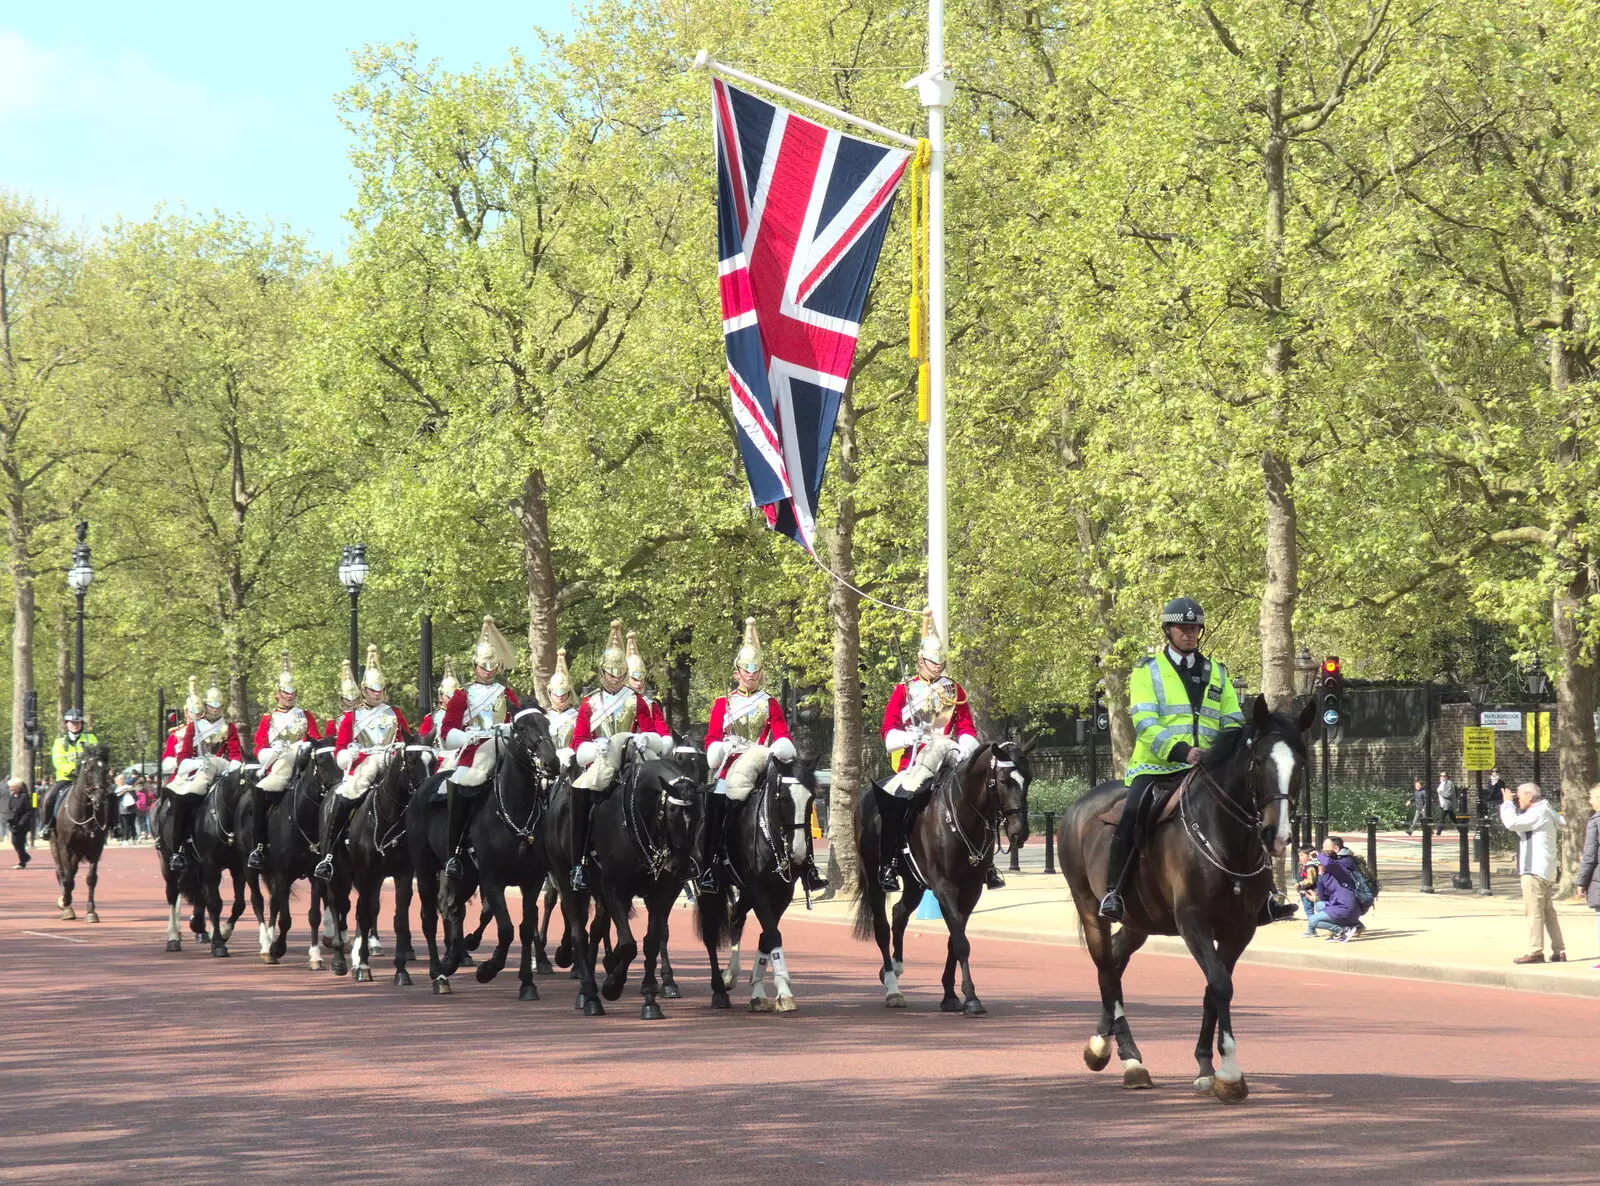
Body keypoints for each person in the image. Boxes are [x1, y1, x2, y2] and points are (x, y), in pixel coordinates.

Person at [1099, 597, 1244, 921]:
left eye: (1194, 628)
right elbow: (1146, 724)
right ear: (1168, 630)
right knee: (1133, 813)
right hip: (1158, 765)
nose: (1189, 633)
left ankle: (1265, 895)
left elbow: (1233, 719)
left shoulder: (1218, 672)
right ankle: (1114, 891)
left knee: (1247, 809)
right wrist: (1182, 751)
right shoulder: (1146, 672)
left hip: (1209, 765)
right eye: (1183, 628)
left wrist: (1219, 750)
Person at [699, 618, 823, 893]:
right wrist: (722, 748)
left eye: (755, 670)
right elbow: (711, 739)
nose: (751, 674)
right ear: (737, 672)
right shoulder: (723, 703)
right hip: (730, 767)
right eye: (746, 670)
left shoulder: (769, 702)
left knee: (797, 800)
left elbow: (781, 734)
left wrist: (775, 747)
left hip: (764, 763)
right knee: (715, 803)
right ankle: (710, 866)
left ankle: (809, 865)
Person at [877, 610, 989, 892]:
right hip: (915, 759)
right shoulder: (904, 690)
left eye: (940, 662)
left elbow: (965, 726)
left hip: (949, 753)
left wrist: (966, 745)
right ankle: (888, 863)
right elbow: (888, 729)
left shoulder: (953, 689)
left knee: (983, 796)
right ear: (920, 660)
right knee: (896, 801)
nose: (937, 667)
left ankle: (987, 863)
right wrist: (907, 736)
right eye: (931, 661)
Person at [569, 620, 669, 890]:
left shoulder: (636, 701)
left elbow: (651, 732)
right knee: (578, 790)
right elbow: (579, 741)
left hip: (633, 759)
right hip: (601, 761)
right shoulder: (589, 703)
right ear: (602, 673)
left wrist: (645, 738)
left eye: (620, 673)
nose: (615, 678)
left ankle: (667, 851)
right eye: (610, 674)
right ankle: (579, 861)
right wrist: (594, 747)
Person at [316, 647, 409, 882]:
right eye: (372, 690)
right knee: (345, 794)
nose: (377, 694)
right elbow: (340, 753)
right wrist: (351, 753)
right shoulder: (351, 717)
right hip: (361, 767)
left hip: (390, 763)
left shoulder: (394, 713)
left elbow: (405, 738)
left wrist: (400, 749)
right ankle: (328, 855)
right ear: (364, 690)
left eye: (380, 690)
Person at [442, 617, 524, 881]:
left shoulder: (507, 694)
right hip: (472, 755)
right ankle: (454, 850)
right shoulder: (461, 695)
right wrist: (468, 735)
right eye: (483, 666)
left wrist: (506, 730)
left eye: (491, 666)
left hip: (503, 752)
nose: (488, 671)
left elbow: (517, 723)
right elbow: (447, 732)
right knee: (458, 786)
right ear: (475, 666)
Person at [246, 652, 322, 871]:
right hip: (279, 766)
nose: (289, 696)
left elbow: (315, 738)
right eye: (285, 693)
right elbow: (259, 746)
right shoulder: (268, 718)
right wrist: (273, 750)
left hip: (304, 763)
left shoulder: (304, 714)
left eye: (292, 692)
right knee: (260, 790)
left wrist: (307, 745)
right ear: (277, 694)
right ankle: (258, 846)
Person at [163, 676, 244, 872]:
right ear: (206, 706)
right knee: (182, 799)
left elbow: (235, 754)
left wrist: (231, 768)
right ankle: (179, 847)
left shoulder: (229, 726)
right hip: (198, 770)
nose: (215, 708)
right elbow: (182, 758)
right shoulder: (194, 727)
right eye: (211, 704)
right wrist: (197, 762)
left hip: (222, 769)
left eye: (218, 704)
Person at [1502, 781, 1566, 964]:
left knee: (1534, 912)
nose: (1516, 798)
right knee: (1548, 912)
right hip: (1546, 870)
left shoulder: (1538, 812)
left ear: (1530, 796)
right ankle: (1559, 950)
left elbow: (1512, 822)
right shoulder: (1546, 810)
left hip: (1534, 870)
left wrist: (1506, 804)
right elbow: (1561, 821)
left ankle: (1536, 951)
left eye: (1518, 795)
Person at [38, 708, 100, 841]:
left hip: (88, 778)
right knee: (49, 798)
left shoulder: (91, 738)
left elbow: (95, 757)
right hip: (66, 778)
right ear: (66, 723)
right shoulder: (59, 742)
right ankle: (47, 826)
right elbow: (58, 761)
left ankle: (114, 826)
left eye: (77, 722)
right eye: (71, 722)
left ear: (81, 724)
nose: (74, 725)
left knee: (108, 796)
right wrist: (73, 770)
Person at [1301, 837, 1363, 941]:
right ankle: (1354, 925)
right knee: (1319, 905)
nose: (1322, 851)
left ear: (1336, 849)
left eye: (1325, 849)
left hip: (1346, 907)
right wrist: (1320, 873)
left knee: (1312, 920)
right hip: (1339, 905)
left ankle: (1343, 930)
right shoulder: (1329, 872)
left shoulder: (1342, 865)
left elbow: (1329, 863)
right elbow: (1323, 896)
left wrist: (1318, 855)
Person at [1574, 783, 1600, 971]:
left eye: (1591, 797)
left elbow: (1589, 856)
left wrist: (1581, 882)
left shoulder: (1596, 821)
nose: (1589, 801)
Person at [546, 649, 578, 771]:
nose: (560, 697)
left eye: (564, 694)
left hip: (572, 764)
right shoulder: (543, 716)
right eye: (556, 694)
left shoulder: (577, 715)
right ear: (550, 693)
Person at [7, 778, 32, 868]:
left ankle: (22, 862)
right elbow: (9, 808)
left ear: (18, 787)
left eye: (12, 787)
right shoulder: (12, 797)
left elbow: (28, 811)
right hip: (13, 823)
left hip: (22, 824)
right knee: (15, 842)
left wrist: (22, 822)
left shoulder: (24, 796)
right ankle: (25, 857)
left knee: (19, 843)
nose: (10, 789)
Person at [116, 773, 137, 843]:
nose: (123, 780)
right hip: (123, 809)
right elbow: (116, 796)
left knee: (131, 824)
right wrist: (124, 791)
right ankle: (125, 839)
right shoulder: (117, 789)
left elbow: (135, 797)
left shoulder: (129, 787)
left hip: (132, 808)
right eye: (121, 779)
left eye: (123, 778)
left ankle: (132, 838)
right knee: (125, 825)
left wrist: (130, 790)